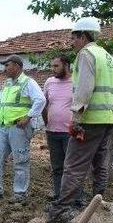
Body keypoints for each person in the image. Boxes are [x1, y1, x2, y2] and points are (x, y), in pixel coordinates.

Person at [46, 17, 113, 223]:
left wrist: (76, 116)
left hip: (90, 119)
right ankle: (98, 203)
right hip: (107, 119)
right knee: (99, 163)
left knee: (73, 164)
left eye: (74, 37)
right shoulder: (108, 57)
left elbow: (85, 88)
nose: (72, 42)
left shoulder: (86, 54)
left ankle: (62, 208)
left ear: (83, 36)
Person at [0, 54, 45, 203]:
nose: (5, 69)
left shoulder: (28, 82)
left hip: (19, 128)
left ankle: (20, 195)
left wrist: (28, 117)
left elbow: (41, 99)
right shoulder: (7, 84)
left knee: (20, 161)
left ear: (17, 66)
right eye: (5, 66)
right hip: (3, 127)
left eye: (7, 65)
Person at [42, 55, 73, 199]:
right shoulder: (49, 82)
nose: (53, 69)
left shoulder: (76, 82)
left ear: (66, 65)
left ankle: (74, 198)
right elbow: (44, 103)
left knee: (71, 168)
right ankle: (59, 196)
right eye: (52, 66)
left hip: (70, 133)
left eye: (56, 66)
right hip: (52, 132)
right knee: (57, 167)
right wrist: (46, 122)